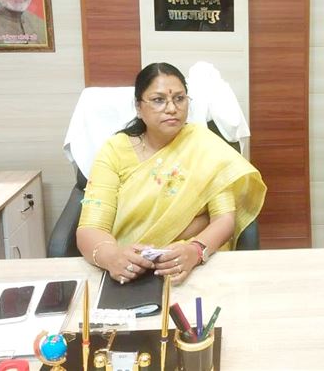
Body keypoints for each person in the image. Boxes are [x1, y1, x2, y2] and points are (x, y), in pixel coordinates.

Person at [77, 62, 267, 284]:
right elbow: (90, 228)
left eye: (179, 98)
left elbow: (224, 218)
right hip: (130, 270)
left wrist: (195, 251)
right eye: (159, 100)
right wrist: (113, 257)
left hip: (191, 265)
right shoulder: (115, 151)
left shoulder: (205, 146)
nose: (171, 108)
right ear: (138, 107)